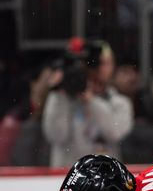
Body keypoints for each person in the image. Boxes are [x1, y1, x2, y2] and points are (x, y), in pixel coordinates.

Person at [42, 38, 133, 168]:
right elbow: (56, 135)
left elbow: (114, 132)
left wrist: (91, 100)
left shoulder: (120, 103)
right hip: (67, 178)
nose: (100, 68)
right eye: (97, 63)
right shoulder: (62, 99)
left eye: (106, 63)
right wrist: (58, 93)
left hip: (105, 179)